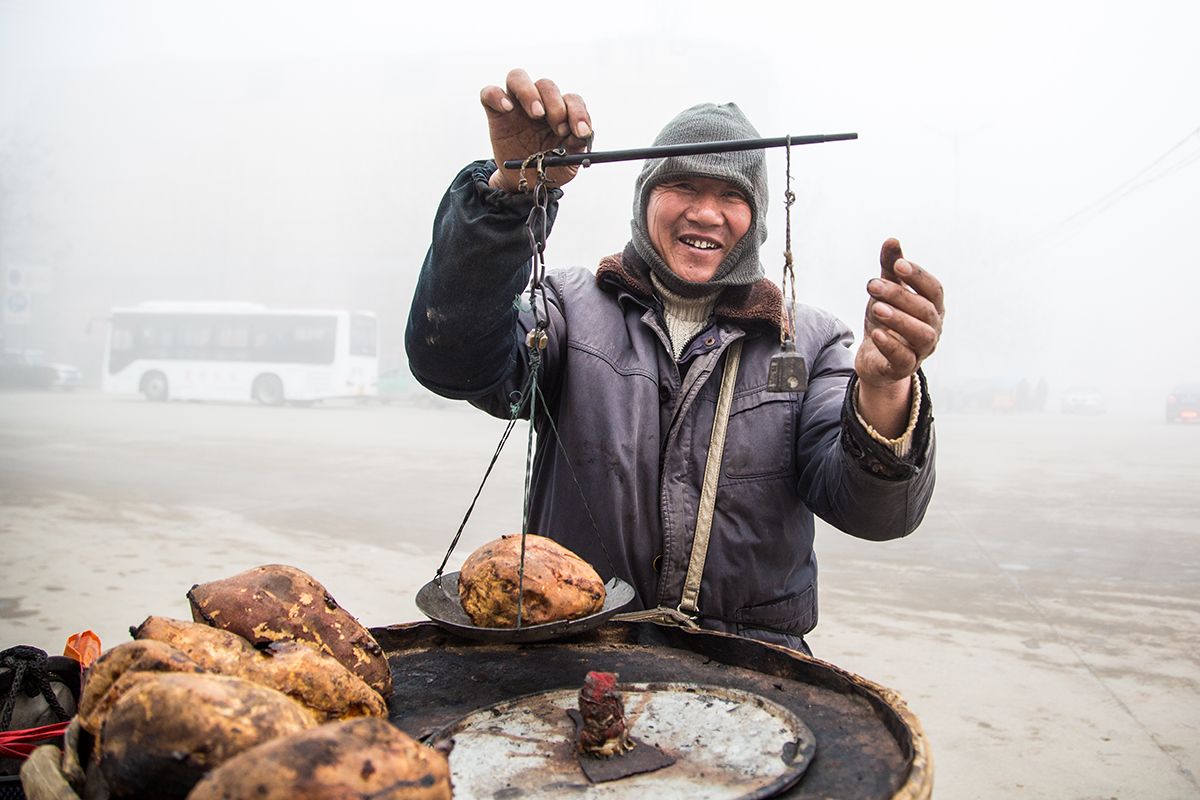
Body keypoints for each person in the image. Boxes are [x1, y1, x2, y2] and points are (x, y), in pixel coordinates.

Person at [406, 70, 944, 654]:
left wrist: (886, 388)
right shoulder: (567, 310)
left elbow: (872, 512)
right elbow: (452, 359)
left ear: (758, 215)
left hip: (748, 671)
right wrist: (509, 195)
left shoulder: (809, 343)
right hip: (574, 658)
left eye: (731, 195)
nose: (706, 213)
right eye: (683, 185)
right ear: (646, 197)